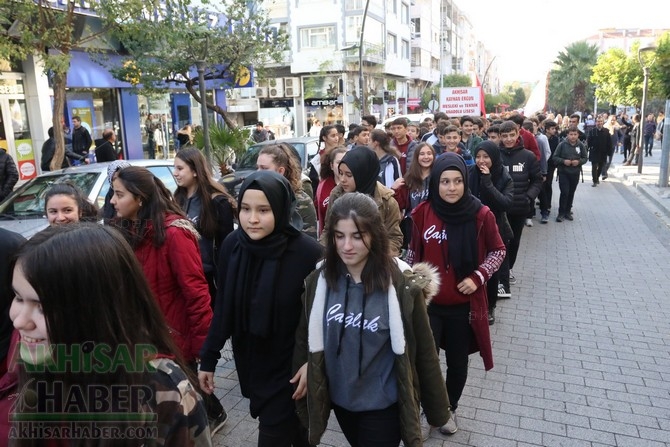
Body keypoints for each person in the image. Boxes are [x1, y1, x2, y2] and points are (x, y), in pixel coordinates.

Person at [8, 224, 212, 446]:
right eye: (18, 297)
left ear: (95, 310)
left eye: (42, 306)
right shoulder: (43, 363)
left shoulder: (163, 394)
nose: (19, 321)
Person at [291, 192, 450, 446]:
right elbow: (306, 333)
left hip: (383, 408)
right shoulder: (320, 279)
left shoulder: (401, 285)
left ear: (375, 234)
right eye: (339, 236)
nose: (347, 246)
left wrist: (438, 411)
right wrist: (308, 363)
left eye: (357, 236)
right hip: (341, 403)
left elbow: (425, 351)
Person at [199, 171, 322, 447]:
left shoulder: (308, 254)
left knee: (275, 433)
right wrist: (209, 358)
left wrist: (311, 363)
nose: (252, 219)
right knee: (299, 436)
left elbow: (322, 318)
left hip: (290, 371)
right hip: (253, 363)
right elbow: (224, 306)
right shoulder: (233, 246)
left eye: (263, 210)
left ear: (280, 208)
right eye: (245, 209)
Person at [407, 153, 505, 435]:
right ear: (436, 182)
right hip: (429, 305)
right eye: (445, 181)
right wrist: (409, 280)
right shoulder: (423, 212)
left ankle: (449, 409)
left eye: (458, 181)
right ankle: (429, 410)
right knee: (425, 362)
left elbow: (498, 251)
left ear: (465, 182)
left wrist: (478, 277)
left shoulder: (481, 214)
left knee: (458, 364)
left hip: (463, 306)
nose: (452, 187)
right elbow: (414, 253)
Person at [110, 167, 213, 408]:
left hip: (174, 343)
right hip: (141, 338)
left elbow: (196, 293)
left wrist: (204, 349)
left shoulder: (174, 233)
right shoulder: (125, 230)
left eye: (119, 194)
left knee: (183, 410)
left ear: (140, 197)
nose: (113, 201)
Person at [174, 147, 236, 304]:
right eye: (175, 168)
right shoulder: (176, 199)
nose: (175, 173)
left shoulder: (217, 202)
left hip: (209, 280)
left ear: (195, 171)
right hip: (181, 276)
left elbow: (226, 248)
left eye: (180, 168)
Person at [322, 146, 404, 257]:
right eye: (341, 173)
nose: (342, 179)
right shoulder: (336, 195)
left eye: (349, 175)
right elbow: (328, 230)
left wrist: (374, 257)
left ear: (363, 174)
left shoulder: (387, 201)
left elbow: (394, 238)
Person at [469, 141, 514, 324]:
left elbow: (505, 203)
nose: (481, 161)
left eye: (486, 157)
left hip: (495, 229)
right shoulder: (470, 172)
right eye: (478, 156)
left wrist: (487, 182)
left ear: (494, 158)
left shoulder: (504, 176)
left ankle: (490, 307)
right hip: (471, 229)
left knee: (492, 271)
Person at [498, 121, 542, 287]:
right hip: (500, 207)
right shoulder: (496, 155)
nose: (508, 139)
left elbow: (537, 180)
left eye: (512, 135)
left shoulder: (528, 156)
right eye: (505, 136)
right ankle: (499, 269)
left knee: (514, 241)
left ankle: (508, 269)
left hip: (519, 207)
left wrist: (528, 196)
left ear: (518, 134)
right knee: (499, 241)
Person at [257, 144, 318, 239]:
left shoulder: (302, 200)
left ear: (280, 171)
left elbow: (309, 242)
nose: (258, 172)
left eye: (264, 168)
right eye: (258, 167)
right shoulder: (255, 197)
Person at [391, 142, 435, 250]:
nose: (426, 157)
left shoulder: (438, 177)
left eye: (429, 153)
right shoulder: (409, 178)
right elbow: (400, 205)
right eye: (422, 154)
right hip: (412, 226)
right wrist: (394, 190)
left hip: (433, 225)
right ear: (417, 157)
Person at [552, 125, 588, 222]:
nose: (573, 136)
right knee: (564, 192)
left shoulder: (581, 145)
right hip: (563, 172)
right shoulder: (562, 145)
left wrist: (579, 162)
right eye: (571, 134)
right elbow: (554, 157)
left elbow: (585, 158)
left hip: (575, 173)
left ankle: (568, 211)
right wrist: (563, 161)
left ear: (578, 135)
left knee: (571, 192)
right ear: (567, 135)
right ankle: (561, 213)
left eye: (575, 134)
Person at [315, 146, 347, 237]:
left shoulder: (355, 184)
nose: (341, 165)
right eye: (338, 162)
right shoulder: (322, 186)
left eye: (344, 161)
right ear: (332, 166)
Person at [587, 116, 611, 186]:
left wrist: (609, 152)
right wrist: (587, 150)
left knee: (600, 167)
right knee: (594, 167)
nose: (599, 123)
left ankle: (597, 177)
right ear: (596, 122)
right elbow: (589, 141)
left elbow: (609, 142)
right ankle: (594, 181)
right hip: (594, 151)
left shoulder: (606, 131)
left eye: (601, 121)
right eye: (598, 121)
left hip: (603, 152)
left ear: (603, 122)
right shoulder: (592, 131)